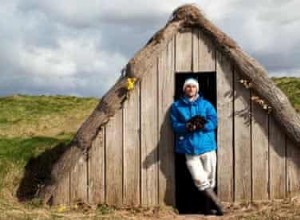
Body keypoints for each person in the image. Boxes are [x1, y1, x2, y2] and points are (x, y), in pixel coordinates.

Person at [169, 77, 224, 216]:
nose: (191, 89)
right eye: (188, 86)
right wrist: (186, 126)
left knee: (210, 179)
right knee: (199, 178)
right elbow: (175, 125)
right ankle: (219, 205)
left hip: (207, 146)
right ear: (184, 89)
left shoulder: (206, 105)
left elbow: (214, 122)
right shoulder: (176, 106)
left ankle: (207, 209)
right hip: (189, 147)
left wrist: (203, 125)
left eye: (193, 86)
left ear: (197, 89)